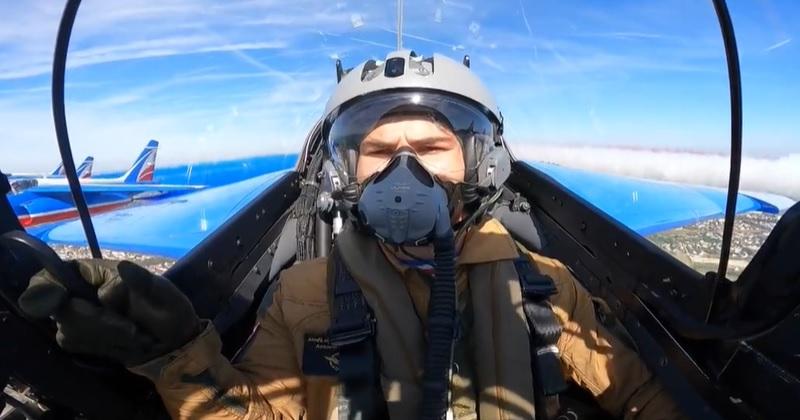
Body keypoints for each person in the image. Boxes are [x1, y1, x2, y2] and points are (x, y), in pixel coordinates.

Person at [18, 51, 683, 420]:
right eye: (377, 151)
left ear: (480, 165)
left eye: (430, 145)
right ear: (346, 171)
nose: (404, 168)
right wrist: (177, 359)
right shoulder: (306, 291)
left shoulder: (540, 284)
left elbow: (644, 397)